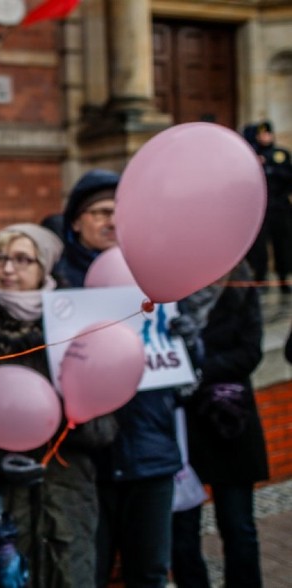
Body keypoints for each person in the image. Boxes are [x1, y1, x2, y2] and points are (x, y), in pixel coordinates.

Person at [0, 223, 117, 587]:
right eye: (0, 258)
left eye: (22, 259)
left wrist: (71, 419)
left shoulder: (74, 328)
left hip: (65, 499)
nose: (6, 269)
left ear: (44, 269)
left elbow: (106, 426)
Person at [54, 169, 182, 587]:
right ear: (75, 221)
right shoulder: (57, 286)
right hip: (88, 462)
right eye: (101, 212)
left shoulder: (155, 276)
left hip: (150, 451)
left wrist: (187, 345)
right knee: (88, 573)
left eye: (120, 212)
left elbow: (181, 380)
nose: (112, 221)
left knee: (149, 574)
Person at [171, 261, 268, 588]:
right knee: (182, 530)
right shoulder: (169, 289)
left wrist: (199, 369)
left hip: (229, 421)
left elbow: (250, 353)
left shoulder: (240, 287)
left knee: (238, 525)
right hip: (186, 425)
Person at [244, 120, 292, 294]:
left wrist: (270, 167)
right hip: (259, 210)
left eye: (267, 133)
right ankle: (260, 278)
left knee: (283, 244)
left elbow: (288, 177)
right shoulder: (250, 154)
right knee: (258, 247)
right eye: (261, 134)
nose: (265, 137)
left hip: (279, 208)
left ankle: (283, 277)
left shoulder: (280, 154)